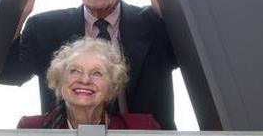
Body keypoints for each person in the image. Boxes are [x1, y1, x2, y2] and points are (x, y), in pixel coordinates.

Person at [0, 0, 178, 130]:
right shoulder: (44, 27)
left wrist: (170, 17)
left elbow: (196, 64)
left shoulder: (155, 22)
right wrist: (17, 18)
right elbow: (9, 75)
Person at [17, 38, 161, 129]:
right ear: (59, 81)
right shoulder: (30, 128)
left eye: (97, 73)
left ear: (112, 86)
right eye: (75, 71)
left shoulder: (142, 127)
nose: (85, 80)